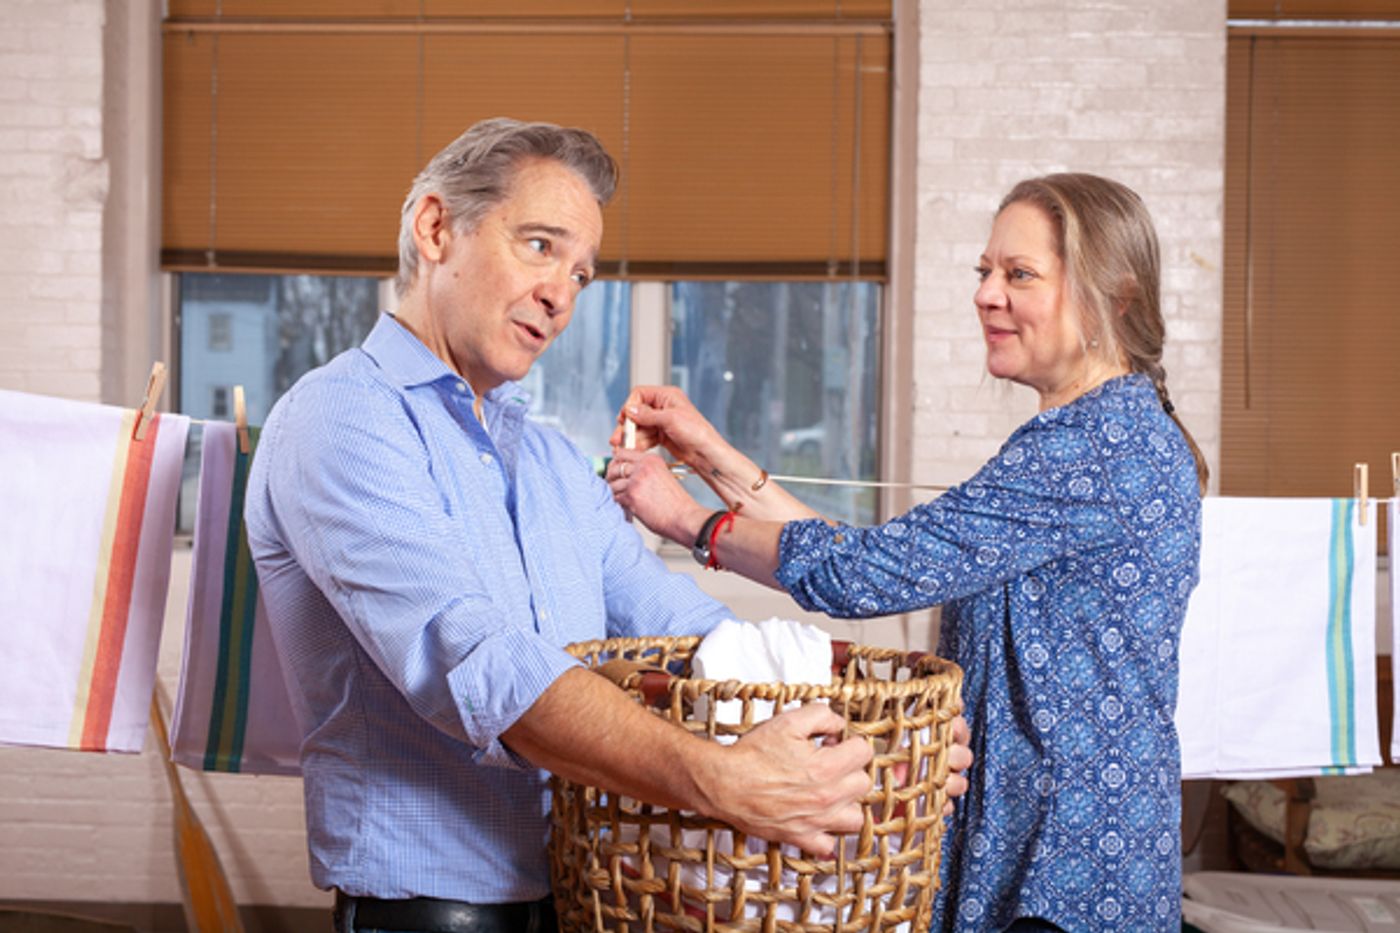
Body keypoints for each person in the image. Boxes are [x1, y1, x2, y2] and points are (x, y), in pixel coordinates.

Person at [244, 118, 971, 933]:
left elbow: (691, 635)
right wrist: (722, 779)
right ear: (436, 227)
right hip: (427, 915)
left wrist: (878, 749)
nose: (562, 294)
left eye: (582, 273)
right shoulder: (341, 418)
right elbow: (483, 667)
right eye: (540, 245)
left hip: (590, 897)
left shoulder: (550, 461)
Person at [606, 172, 1208, 932]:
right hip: (1064, 843)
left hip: (1065, 859)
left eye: (1019, 274)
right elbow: (880, 554)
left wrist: (688, 520)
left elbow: (862, 574)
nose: (988, 294)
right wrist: (713, 456)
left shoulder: (1093, 444)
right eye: (984, 272)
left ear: (1112, 297)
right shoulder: (1105, 433)